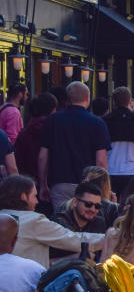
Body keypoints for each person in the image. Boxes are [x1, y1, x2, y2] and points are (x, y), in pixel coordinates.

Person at [0, 175, 104, 268]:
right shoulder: (34, 221)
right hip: (27, 285)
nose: (36, 201)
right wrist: (110, 237)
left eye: (98, 206)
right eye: (34, 196)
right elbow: (75, 240)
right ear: (23, 196)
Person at [38, 82, 110, 210]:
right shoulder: (97, 123)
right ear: (88, 98)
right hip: (88, 184)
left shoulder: (52, 120)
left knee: (61, 222)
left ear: (68, 99)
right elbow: (101, 161)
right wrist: (105, 188)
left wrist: (43, 184)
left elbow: (43, 156)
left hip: (60, 182)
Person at [104, 87, 134, 196]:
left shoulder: (106, 121)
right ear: (130, 101)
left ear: (114, 102)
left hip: (111, 171)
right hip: (132, 171)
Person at [51, 182, 108, 260]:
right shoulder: (59, 220)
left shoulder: (98, 222)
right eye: (88, 204)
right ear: (75, 202)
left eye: (97, 206)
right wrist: (78, 257)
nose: (93, 209)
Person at [14, 92, 57, 181]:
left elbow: (18, 160)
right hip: (50, 181)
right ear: (52, 110)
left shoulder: (24, 133)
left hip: (28, 181)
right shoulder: (55, 131)